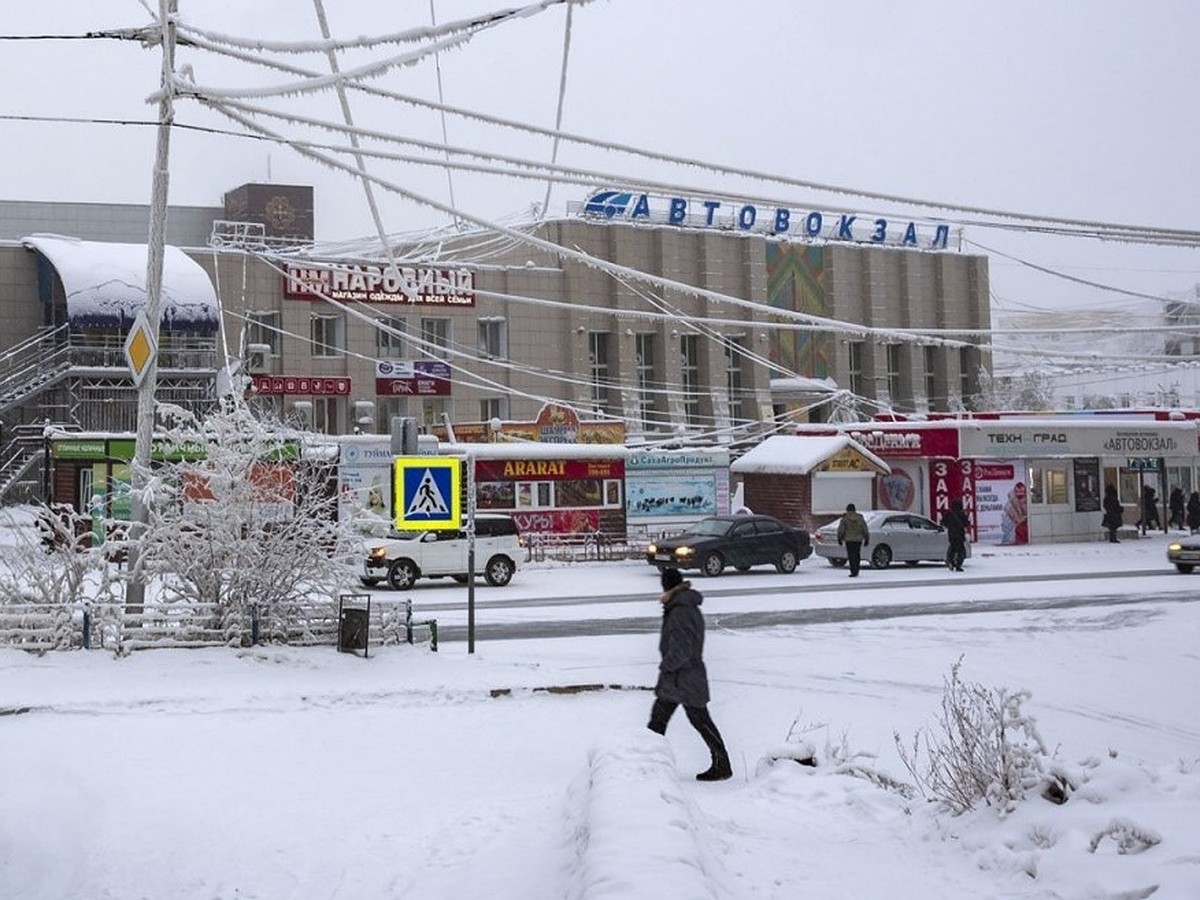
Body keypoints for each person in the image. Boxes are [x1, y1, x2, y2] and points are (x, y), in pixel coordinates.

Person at [647, 567, 732, 782]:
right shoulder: (682, 605)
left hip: (683, 676)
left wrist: (667, 666)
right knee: (663, 719)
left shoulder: (680, 609)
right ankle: (648, 763)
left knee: (693, 720)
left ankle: (647, 765)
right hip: (683, 676)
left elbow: (682, 648)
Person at [836, 502, 870, 577]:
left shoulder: (844, 519)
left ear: (847, 509)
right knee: (857, 554)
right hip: (858, 540)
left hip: (849, 540)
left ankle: (853, 571)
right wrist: (866, 538)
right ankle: (857, 569)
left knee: (851, 555)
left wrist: (839, 538)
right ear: (854, 509)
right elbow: (865, 529)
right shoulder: (860, 518)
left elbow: (841, 530)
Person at [941, 498, 970, 571]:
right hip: (960, 535)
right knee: (961, 551)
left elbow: (943, 523)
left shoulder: (949, 514)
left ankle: (951, 562)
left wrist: (950, 526)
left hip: (952, 535)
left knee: (952, 549)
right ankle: (958, 565)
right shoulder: (961, 513)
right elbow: (966, 523)